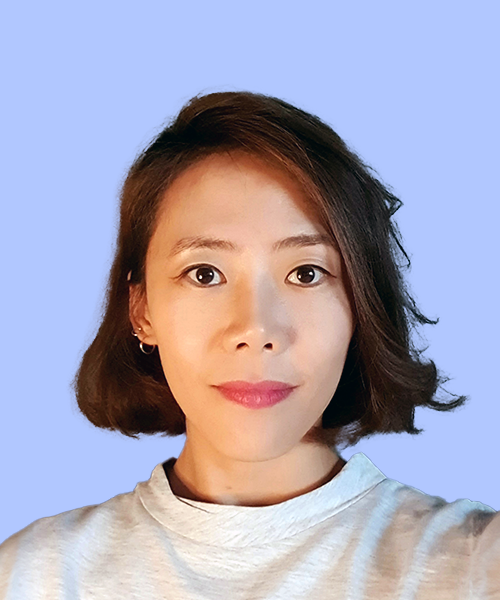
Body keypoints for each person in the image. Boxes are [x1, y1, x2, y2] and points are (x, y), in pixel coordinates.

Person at [0, 90, 498, 598]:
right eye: (204, 273)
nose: (256, 329)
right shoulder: (31, 577)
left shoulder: (476, 563)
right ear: (142, 311)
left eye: (306, 273)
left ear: (359, 309)